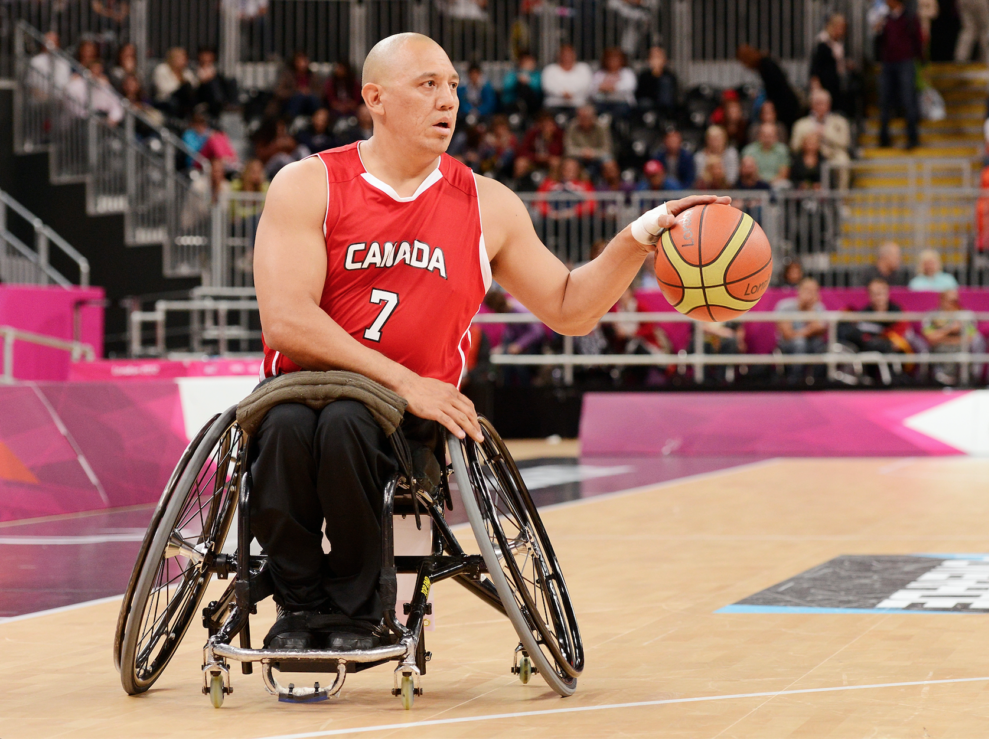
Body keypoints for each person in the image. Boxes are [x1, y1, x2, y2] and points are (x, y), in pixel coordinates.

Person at [249, 32, 730, 649]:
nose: (447, 100)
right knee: (289, 428)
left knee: (347, 424)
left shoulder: (486, 204)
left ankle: (357, 611)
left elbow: (568, 308)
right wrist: (405, 379)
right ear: (376, 97)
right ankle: (299, 610)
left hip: (405, 418)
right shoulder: (307, 184)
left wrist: (637, 236)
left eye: (453, 86)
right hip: (311, 387)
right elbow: (286, 321)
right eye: (427, 85)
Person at [875, 0, 923, 150]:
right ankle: (884, 138)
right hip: (888, 63)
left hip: (905, 63)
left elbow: (918, 39)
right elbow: (879, 43)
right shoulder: (885, 18)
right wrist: (877, 32)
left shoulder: (909, 18)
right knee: (884, 100)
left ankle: (912, 137)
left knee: (908, 100)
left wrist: (921, 61)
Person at [790, 89, 852, 188]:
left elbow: (845, 143)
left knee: (843, 161)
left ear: (829, 104)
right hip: (810, 156)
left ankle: (841, 198)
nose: (820, 106)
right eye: (817, 103)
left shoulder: (840, 122)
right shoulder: (801, 124)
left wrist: (825, 133)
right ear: (811, 105)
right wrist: (809, 140)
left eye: (823, 103)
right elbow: (794, 146)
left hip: (832, 154)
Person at [922, 289, 983, 385]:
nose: (953, 304)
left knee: (976, 343)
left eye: (955, 300)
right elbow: (930, 338)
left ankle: (972, 378)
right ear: (941, 300)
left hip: (962, 348)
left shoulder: (966, 315)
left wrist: (946, 339)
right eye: (950, 300)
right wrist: (949, 329)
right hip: (939, 349)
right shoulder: (932, 316)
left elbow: (971, 337)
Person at [775, 277, 828, 382]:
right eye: (807, 290)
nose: (810, 294)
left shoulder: (818, 307)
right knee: (800, 343)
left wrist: (809, 310)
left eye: (814, 291)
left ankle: (817, 382)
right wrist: (808, 331)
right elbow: (787, 334)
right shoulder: (785, 306)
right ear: (799, 290)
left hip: (812, 344)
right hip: (788, 345)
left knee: (821, 345)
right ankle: (795, 381)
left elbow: (820, 329)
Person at [736, 44, 802, 129]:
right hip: (784, 102)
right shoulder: (764, 63)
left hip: (784, 105)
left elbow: (775, 87)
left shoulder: (765, 65)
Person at [810, 14, 853, 116]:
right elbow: (816, 66)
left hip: (837, 85)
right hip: (825, 85)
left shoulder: (839, 44)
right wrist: (816, 86)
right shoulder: (822, 42)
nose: (842, 31)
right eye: (840, 27)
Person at [564, 105, 613, 178]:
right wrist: (582, 152)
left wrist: (592, 153)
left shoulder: (602, 127)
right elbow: (568, 149)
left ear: (593, 117)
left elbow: (607, 149)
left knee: (610, 164)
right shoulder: (572, 126)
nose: (583, 120)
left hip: (598, 156)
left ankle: (608, 188)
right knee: (570, 165)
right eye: (580, 117)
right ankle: (571, 187)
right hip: (578, 156)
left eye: (586, 117)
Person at [541, 44, 593, 112]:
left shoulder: (583, 68)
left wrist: (572, 93)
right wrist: (562, 93)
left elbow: (587, 85)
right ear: (559, 55)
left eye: (569, 54)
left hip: (578, 105)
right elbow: (547, 86)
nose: (567, 57)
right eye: (564, 54)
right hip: (554, 104)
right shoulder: (550, 69)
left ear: (574, 55)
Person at [152, 47, 197, 119]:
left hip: (184, 100)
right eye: (180, 58)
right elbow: (163, 89)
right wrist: (181, 84)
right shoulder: (162, 69)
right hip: (166, 100)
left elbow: (194, 86)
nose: (183, 61)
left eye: (184, 59)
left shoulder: (186, 72)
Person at [195, 46, 238, 121]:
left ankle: (232, 104)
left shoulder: (215, 70)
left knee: (231, 80)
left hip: (214, 94)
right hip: (201, 95)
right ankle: (220, 101)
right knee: (212, 83)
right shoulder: (195, 69)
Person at [590, 47, 637, 117]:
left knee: (620, 110)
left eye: (616, 59)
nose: (613, 62)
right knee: (593, 109)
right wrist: (601, 88)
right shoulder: (600, 74)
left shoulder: (627, 73)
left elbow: (629, 87)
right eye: (610, 59)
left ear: (622, 60)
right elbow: (592, 89)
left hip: (622, 102)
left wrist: (612, 87)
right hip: (603, 102)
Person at [276, 51, 324, 119]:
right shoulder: (287, 75)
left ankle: (318, 120)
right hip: (291, 102)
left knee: (313, 99)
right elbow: (279, 92)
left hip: (309, 102)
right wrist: (296, 91)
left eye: (305, 61)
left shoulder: (313, 76)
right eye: (300, 61)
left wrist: (309, 91)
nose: (303, 64)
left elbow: (321, 92)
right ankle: (290, 119)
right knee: (299, 97)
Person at [741, 121, 790, 186]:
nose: (767, 138)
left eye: (770, 135)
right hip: (756, 183)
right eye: (764, 135)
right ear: (759, 135)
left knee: (785, 184)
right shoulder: (749, 150)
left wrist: (770, 184)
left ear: (776, 136)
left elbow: (784, 173)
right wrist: (762, 183)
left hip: (777, 184)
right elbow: (747, 171)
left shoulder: (782, 150)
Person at [28, 31, 72, 96]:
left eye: (54, 41)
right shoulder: (35, 61)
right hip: (40, 100)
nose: (51, 45)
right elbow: (32, 84)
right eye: (49, 42)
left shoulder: (64, 62)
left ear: (58, 44)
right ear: (43, 44)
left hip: (61, 99)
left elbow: (67, 84)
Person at [636, 46, 677, 114]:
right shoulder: (644, 75)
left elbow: (673, 94)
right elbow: (641, 93)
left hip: (665, 106)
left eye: (659, 57)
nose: (656, 61)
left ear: (664, 60)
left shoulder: (669, 76)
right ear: (649, 60)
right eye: (654, 58)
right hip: (648, 104)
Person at [501, 52, 543, 116]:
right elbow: (507, 87)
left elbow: (538, 88)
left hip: (533, 104)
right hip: (512, 102)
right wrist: (517, 80)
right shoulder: (512, 74)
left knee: (525, 87)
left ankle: (522, 104)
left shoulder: (537, 75)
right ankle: (520, 104)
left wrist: (528, 81)